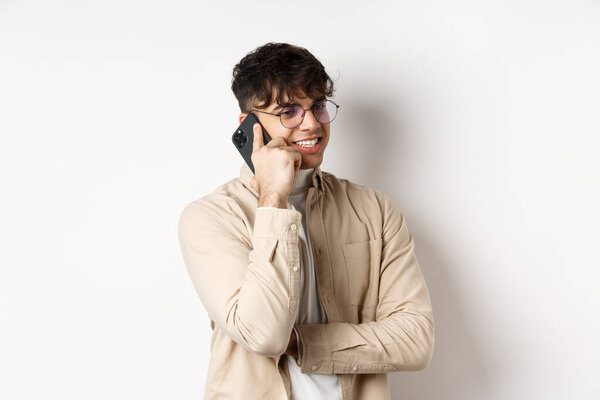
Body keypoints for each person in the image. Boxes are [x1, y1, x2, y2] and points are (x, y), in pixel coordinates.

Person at [178, 42, 435, 400]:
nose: (312, 123)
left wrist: (302, 342)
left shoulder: (374, 209)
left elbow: (415, 340)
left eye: (317, 107)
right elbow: (264, 335)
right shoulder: (210, 217)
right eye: (289, 112)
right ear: (249, 125)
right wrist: (273, 200)